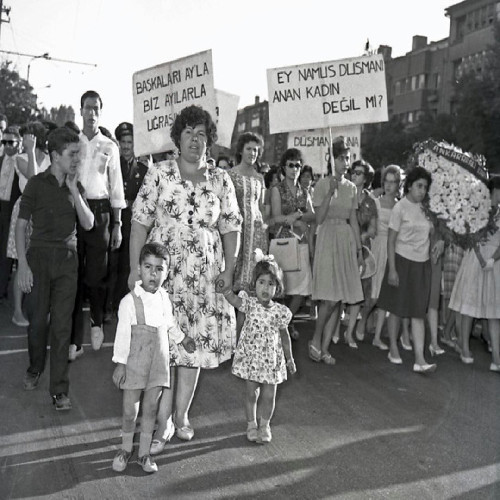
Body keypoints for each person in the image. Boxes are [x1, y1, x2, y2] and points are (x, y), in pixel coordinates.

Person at [129, 105, 242, 452]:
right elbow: (139, 223)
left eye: (202, 134)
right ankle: (160, 422)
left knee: (193, 346)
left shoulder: (221, 180)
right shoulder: (159, 174)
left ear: (209, 141)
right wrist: (136, 270)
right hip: (164, 275)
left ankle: (181, 416)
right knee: (163, 347)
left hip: (205, 278)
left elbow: (232, 226)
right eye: (189, 133)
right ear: (177, 138)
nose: (196, 140)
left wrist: (229, 269)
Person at [16, 127, 94, 409]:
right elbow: (21, 225)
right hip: (37, 258)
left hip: (67, 261)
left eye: (78, 154)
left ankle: (59, 390)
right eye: (72, 154)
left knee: (62, 326)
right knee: (38, 322)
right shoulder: (36, 184)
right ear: (55, 155)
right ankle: (35, 367)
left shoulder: (76, 185)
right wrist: (23, 265)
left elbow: (88, 224)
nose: (77, 159)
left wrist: (74, 189)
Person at [111, 243, 196, 473]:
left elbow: (169, 324)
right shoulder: (129, 302)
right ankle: (126, 449)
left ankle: (144, 454)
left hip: (159, 363)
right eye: (148, 267)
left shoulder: (163, 298)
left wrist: (182, 339)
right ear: (139, 269)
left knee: (150, 411)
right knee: (131, 412)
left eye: (159, 269)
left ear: (166, 273)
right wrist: (120, 364)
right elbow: (122, 336)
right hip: (134, 363)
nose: (153, 273)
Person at [70, 90, 125, 359]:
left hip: (101, 212)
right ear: (80, 110)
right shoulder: (72, 143)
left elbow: (116, 189)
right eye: (87, 107)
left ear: (100, 112)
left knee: (97, 272)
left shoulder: (109, 146)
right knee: (72, 271)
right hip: (74, 210)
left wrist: (118, 224)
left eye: (96, 108)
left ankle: (96, 322)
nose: (91, 113)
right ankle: (72, 338)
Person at [222, 251, 296, 443]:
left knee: (269, 395)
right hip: (251, 359)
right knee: (251, 393)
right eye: (261, 282)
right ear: (254, 284)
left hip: (272, 360)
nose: (265, 288)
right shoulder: (250, 303)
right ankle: (251, 424)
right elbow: (234, 300)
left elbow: (285, 337)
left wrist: (289, 359)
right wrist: (226, 290)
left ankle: (265, 425)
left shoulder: (281, 312)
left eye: (271, 284)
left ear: (277, 288)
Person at [377, 166, 443, 373]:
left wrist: (438, 242)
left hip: (421, 265)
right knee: (396, 308)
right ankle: (393, 348)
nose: (422, 190)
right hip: (401, 261)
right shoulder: (400, 208)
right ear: (410, 186)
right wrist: (393, 270)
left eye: (425, 187)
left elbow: (435, 233)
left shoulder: (427, 210)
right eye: (419, 186)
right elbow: (391, 240)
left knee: (417, 312)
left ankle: (420, 359)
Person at [308, 138, 364, 365]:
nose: (345, 162)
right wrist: (330, 193)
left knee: (339, 298)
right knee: (329, 299)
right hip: (328, 237)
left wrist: (359, 248)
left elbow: (354, 220)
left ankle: (325, 348)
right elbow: (318, 219)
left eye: (348, 158)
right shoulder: (322, 185)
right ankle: (315, 337)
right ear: (332, 160)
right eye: (341, 158)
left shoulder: (351, 188)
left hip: (345, 240)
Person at [449, 177, 500, 371]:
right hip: (476, 259)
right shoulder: (479, 209)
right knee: (469, 305)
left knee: (494, 312)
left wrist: (493, 260)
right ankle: (465, 348)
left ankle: (496, 357)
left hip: (494, 262)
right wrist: (481, 259)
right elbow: (472, 238)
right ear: (493, 190)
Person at [104, 122, 148, 323]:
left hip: (134, 224)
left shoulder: (144, 169)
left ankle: (123, 307)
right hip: (115, 222)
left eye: (130, 142)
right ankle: (108, 307)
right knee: (111, 265)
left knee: (127, 267)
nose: (126, 146)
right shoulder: (111, 165)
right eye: (123, 142)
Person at [7, 122, 50, 327]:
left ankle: (41, 309)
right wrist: (31, 153)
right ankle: (17, 311)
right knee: (21, 260)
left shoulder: (51, 159)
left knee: (41, 262)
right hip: (24, 210)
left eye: (26, 137)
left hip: (44, 213)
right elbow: (34, 181)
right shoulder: (20, 158)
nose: (22, 141)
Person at [270, 148, 315, 340]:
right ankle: (280, 325)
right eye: (290, 164)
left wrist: (301, 217)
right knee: (282, 289)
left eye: (298, 165)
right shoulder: (277, 189)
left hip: (302, 243)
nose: (294, 168)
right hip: (283, 242)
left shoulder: (304, 191)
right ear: (283, 167)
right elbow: (276, 217)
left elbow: (313, 215)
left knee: (302, 290)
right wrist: (296, 219)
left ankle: (286, 322)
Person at [361, 164, 402, 350]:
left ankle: (377, 336)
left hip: (394, 251)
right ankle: (361, 323)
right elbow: (368, 227)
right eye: (386, 181)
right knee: (373, 294)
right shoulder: (375, 202)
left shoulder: (401, 205)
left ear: (398, 185)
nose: (389, 185)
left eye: (393, 182)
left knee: (386, 295)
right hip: (378, 247)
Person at [228, 132, 268, 292]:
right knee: (234, 271)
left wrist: (264, 228)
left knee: (253, 276)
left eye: (256, 150)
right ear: (241, 150)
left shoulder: (259, 177)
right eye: (249, 149)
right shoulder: (231, 174)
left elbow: (262, 206)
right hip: (237, 230)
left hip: (255, 231)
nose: (252, 153)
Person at [0, 126, 23, 301]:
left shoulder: (21, 162)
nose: (7, 146)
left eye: (11, 142)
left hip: (12, 209)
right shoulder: (0, 160)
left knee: (6, 254)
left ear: (18, 143)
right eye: (4, 142)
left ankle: (1, 291)